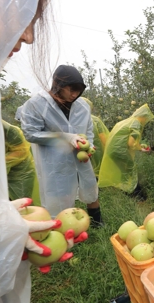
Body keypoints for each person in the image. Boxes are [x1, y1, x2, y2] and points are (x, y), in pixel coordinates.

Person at [0, 1, 84, 303]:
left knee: (67, 209)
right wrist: (62, 139)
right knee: (54, 202)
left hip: (77, 165)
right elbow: (31, 134)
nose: (28, 35)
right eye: (23, 13)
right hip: (51, 165)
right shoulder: (34, 104)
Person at [20, 64, 104, 227]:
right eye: (71, 89)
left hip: (80, 157)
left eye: (79, 91)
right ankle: (61, 229)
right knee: (58, 194)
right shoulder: (37, 104)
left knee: (89, 185)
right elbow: (31, 133)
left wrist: (90, 146)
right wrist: (66, 137)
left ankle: (97, 222)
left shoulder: (82, 106)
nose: (75, 95)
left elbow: (88, 130)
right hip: (54, 161)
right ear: (58, 85)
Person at [98, 104, 154, 200]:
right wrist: (141, 149)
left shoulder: (127, 121)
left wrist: (139, 146)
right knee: (130, 171)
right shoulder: (136, 123)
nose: (146, 121)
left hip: (113, 151)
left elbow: (125, 140)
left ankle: (125, 192)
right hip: (121, 151)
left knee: (124, 172)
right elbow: (130, 143)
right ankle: (137, 195)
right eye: (146, 119)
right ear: (143, 116)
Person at [3, 119, 42, 206]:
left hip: (20, 173)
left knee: (23, 203)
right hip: (0, 173)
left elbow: (21, 151)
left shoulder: (10, 131)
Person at [80, 97, 110, 179]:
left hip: (80, 148)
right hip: (96, 149)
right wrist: (108, 150)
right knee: (97, 167)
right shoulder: (95, 120)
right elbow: (102, 136)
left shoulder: (75, 120)